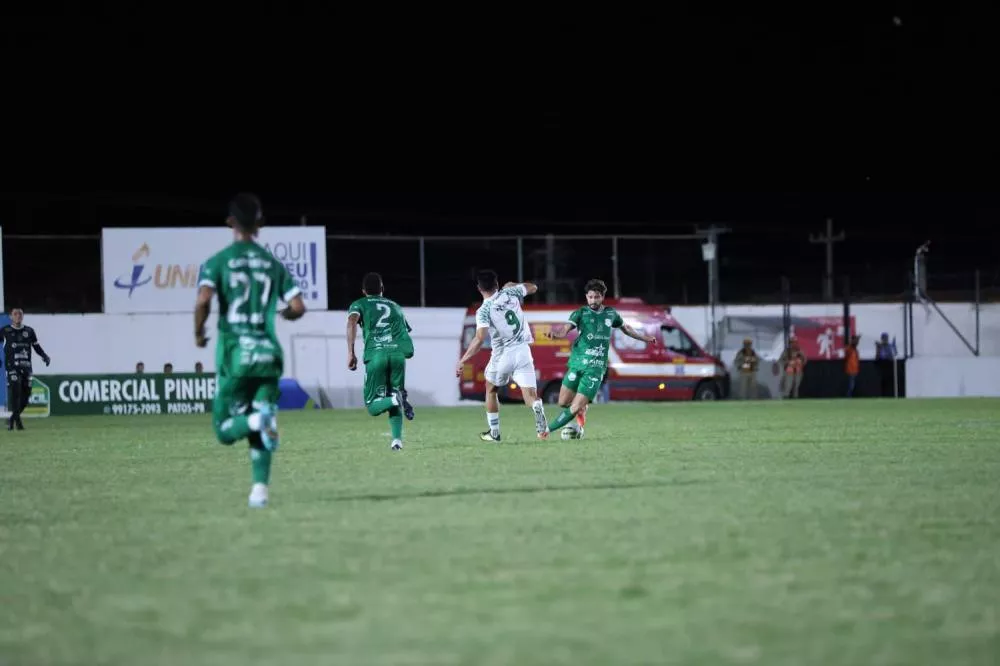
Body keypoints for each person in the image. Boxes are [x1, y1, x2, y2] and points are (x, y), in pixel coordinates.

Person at [194, 193, 306, 509]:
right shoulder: (273, 264)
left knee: (224, 430)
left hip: (236, 357)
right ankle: (259, 492)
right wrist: (284, 314)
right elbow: (298, 305)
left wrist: (199, 332)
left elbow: (203, 300)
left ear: (230, 222)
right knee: (262, 413)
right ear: (259, 224)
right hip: (269, 356)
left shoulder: (217, 262)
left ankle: (257, 423)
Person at [541, 278, 656, 439]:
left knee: (574, 407)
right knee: (562, 402)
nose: (593, 300)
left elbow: (626, 328)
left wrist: (645, 338)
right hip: (577, 364)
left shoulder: (611, 314)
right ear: (586, 297)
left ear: (602, 297)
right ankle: (582, 409)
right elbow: (565, 329)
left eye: (596, 297)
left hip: (595, 368)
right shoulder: (580, 313)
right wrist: (556, 334)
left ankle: (546, 430)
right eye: (590, 297)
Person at [455, 270, 547, 441]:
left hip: (503, 354)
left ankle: (494, 433)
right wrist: (515, 285)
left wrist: (463, 360)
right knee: (530, 394)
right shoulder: (510, 292)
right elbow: (533, 287)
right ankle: (536, 406)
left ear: (479, 288)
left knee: (491, 389)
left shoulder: (483, 310)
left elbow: (479, 339)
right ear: (497, 284)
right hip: (524, 351)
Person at [347, 272, 415, 451]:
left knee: (372, 406)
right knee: (393, 397)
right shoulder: (395, 306)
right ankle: (397, 441)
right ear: (382, 289)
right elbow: (405, 334)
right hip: (398, 357)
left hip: (376, 356)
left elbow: (351, 322)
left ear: (363, 291)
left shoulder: (359, 304)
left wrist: (351, 353)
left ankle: (396, 399)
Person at [1, 308, 51, 430]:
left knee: (26, 396)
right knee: (16, 390)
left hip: (26, 367)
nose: (18, 316)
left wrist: (44, 356)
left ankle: (12, 418)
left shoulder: (29, 331)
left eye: (20, 314)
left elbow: (36, 346)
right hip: (12, 367)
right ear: (11, 317)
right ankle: (17, 423)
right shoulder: (5, 331)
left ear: (22, 317)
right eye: (15, 314)